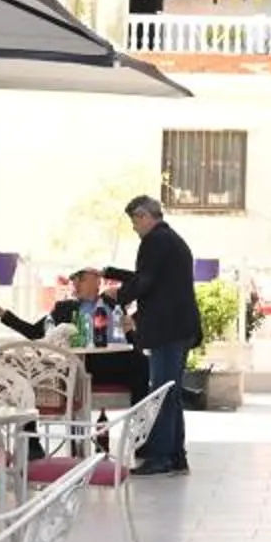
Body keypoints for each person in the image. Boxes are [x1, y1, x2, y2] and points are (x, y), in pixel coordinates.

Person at [102, 194, 197, 476]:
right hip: (180, 327)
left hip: (167, 330)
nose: (134, 227)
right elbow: (151, 276)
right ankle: (176, 456)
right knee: (171, 393)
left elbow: (145, 281)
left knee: (161, 394)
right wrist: (109, 273)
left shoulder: (154, 241)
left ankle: (161, 457)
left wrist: (117, 296)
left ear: (145, 216)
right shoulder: (170, 240)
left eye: (135, 220)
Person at [0, 268, 121, 345]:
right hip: (82, 363)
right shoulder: (63, 308)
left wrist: (108, 273)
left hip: (114, 359)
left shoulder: (111, 303)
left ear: (98, 281)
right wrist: (4, 315)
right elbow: (35, 332)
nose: (75, 283)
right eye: (73, 280)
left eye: (81, 278)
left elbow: (138, 282)